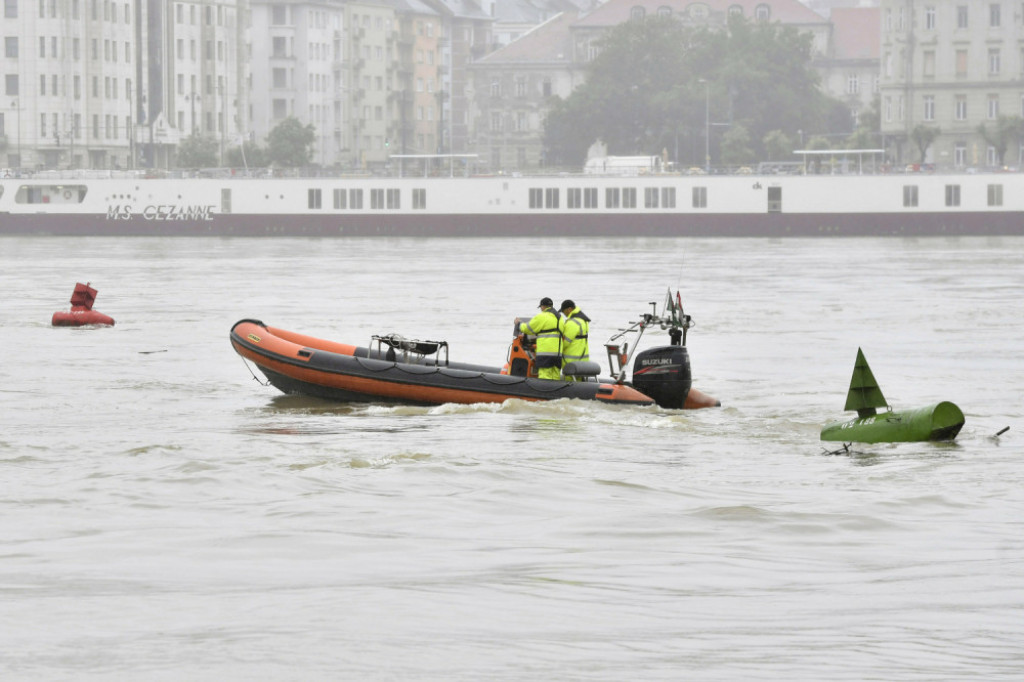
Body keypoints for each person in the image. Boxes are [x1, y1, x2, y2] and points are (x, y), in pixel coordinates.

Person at [519, 297, 562, 380]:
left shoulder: (542, 316)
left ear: (543, 306)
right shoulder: (560, 318)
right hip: (558, 354)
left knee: (544, 377)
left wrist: (519, 324)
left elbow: (527, 328)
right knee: (555, 376)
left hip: (546, 353)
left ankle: (544, 393)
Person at [558, 300, 590, 380]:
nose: (564, 314)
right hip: (583, 358)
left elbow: (565, 343)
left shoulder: (572, 322)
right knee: (579, 382)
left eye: (564, 311)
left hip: (571, 360)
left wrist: (555, 349)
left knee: (569, 382)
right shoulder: (583, 320)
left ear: (569, 309)